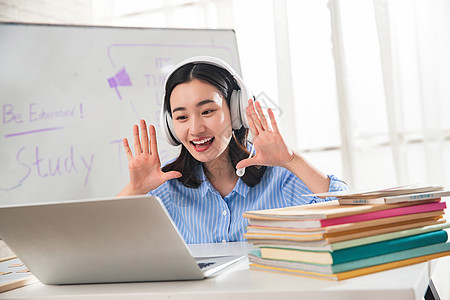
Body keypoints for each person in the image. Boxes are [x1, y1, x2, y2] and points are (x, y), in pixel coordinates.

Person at [118, 56, 347, 244]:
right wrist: (135, 190)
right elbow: (94, 244)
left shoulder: (279, 176)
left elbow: (349, 214)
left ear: (235, 111)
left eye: (207, 111)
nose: (196, 129)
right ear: (170, 126)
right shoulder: (166, 190)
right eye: (181, 117)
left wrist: (291, 160)